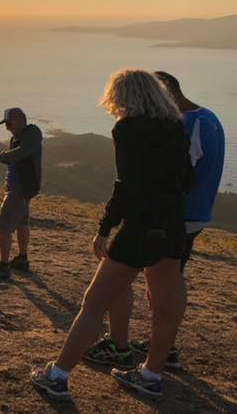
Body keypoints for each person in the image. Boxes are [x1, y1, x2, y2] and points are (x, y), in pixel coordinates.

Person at [31, 69, 191, 400]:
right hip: (173, 227)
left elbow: (126, 185)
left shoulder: (128, 128)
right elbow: (186, 179)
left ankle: (57, 376)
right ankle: (150, 375)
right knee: (165, 309)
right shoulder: (176, 126)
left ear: (123, 96)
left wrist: (105, 228)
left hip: (140, 229)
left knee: (93, 304)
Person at [84, 71, 225, 370]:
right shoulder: (208, 118)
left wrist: (117, 219)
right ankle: (162, 350)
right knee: (166, 284)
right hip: (188, 216)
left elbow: (179, 175)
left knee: (135, 281)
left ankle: (126, 345)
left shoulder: (184, 123)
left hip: (172, 216)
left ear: (169, 92)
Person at [0, 108, 42, 280]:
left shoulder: (30, 136)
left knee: (3, 225)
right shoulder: (19, 137)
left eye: (9, 124)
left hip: (20, 187)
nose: (7, 128)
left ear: (19, 120)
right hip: (21, 186)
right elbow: (16, 160)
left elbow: (20, 153)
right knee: (21, 222)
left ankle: (3, 267)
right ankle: (22, 259)